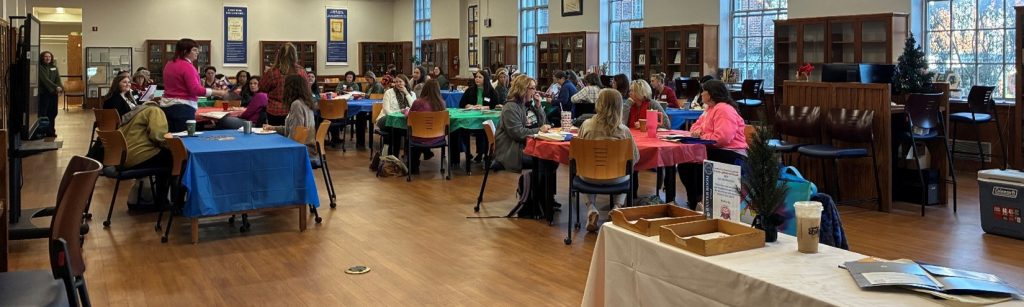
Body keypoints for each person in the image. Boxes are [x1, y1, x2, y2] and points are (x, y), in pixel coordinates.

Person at [677, 80, 748, 209]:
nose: (701, 94)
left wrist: (702, 135)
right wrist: (698, 133)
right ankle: (695, 200)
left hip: (732, 152)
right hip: (716, 148)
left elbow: (722, 139)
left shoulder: (724, 109)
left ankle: (697, 201)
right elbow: (694, 127)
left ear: (710, 94)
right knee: (686, 161)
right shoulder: (709, 109)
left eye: (703, 91)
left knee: (694, 162)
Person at [577, 89, 639, 231]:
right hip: (616, 179)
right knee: (626, 172)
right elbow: (634, 159)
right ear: (620, 106)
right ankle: (617, 207)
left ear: (598, 104)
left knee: (586, 169)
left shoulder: (586, 125)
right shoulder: (624, 131)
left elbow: (577, 156)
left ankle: (591, 208)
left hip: (589, 178)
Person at [494, 75, 558, 211]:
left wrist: (539, 107)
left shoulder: (527, 105)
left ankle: (546, 198)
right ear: (522, 89)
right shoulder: (511, 108)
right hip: (513, 150)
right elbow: (517, 133)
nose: (535, 92)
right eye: (532, 88)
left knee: (553, 158)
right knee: (545, 160)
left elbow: (543, 124)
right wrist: (538, 130)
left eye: (535, 88)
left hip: (528, 146)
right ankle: (535, 199)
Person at [161, 38, 227, 132]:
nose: (197, 52)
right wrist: (218, 92)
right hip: (182, 108)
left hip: (166, 106)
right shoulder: (187, 66)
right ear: (185, 51)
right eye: (194, 50)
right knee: (184, 140)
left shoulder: (169, 64)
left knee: (173, 139)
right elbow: (195, 90)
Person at [119, 102, 172, 209]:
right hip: (139, 157)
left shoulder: (134, 113)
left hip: (122, 159)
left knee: (164, 158)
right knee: (176, 159)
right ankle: (168, 202)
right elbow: (158, 136)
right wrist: (173, 145)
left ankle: (158, 199)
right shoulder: (155, 111)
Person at [263, 75, 317, 156]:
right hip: (307, 146)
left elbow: (295, 134)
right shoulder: (305, 102)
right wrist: (273, 128)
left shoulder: (296, 104)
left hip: (301, 149)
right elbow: (292, 128)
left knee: (267, 148)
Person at [260, 43, 309, 125]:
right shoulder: (301, 71)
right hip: (296, 109)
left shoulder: (272, 72)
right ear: (295, 55)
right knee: (293, 135)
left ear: (279, 54)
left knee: (275, 136)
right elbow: (307, 90)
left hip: (275, 111)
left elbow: (262, 87)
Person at [457, 71, 500, 163]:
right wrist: (469, 106)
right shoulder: (470, 90)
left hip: (484, 119)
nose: (477, 79)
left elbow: (496, 105)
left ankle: (482, 154)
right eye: (476, 77)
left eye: (480, 77)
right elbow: (461, 104)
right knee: (461, 130)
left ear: (485, 79)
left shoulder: (491, 91)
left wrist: (485, 107)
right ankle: (467, 152)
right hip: (470, 119)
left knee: (482, 132)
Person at [405, 79, 447, 174]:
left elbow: (410, 116)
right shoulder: (442, 103)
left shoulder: (418, 103)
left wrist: (406, 111)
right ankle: (426, 152)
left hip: (419, 137)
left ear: (425, 89)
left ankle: (413, 166)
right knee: (422, 134)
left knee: (412, 133)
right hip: (438, 138)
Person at [375, 74, 416, 155]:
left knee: (403, 129)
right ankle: (393, 155)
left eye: (400, 81)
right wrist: (398, 113)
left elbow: (414, 107)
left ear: (405, 83)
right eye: (396, 82)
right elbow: (386, 110)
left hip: (403, 120)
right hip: (386, 118)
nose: (398, 84)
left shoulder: (412, 93)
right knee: (396, 128)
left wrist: (406, 93)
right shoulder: (389, 92)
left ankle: (396, 155)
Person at [38, 51, 62, 137]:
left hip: (53, 94)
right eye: (45, 56)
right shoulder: (40, 67)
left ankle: (51, 131)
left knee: (53, 112)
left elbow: (58, 79)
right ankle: (42, 132)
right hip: (44, 94)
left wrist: (60, 88)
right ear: (42, 58)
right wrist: (56, 87)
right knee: (44, 113)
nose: (48, 58)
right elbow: (45, 80)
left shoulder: (54, 67)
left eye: (49, 56)